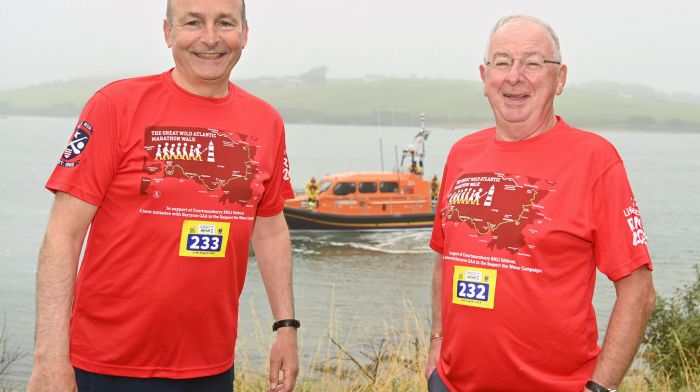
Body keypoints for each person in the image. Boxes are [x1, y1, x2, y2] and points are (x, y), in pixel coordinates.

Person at [28, 1, 299, 391]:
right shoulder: (116, 106)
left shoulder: (266, 121)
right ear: (168, 33)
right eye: (193, 23)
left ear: (244, 33)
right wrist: (50, 359)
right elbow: (62, 236)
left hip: (211, 367)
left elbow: (271, 230)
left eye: (224, 23)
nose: (210, 38)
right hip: (107, 366)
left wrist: (286, 327)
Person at [425, 15, 655, 392]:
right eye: (502, 62)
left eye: (533, 62)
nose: (515, 76)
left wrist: (601, 388)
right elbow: (443, 254)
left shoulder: (595, 159)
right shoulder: (461, 154)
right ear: (485, 76)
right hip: (450, 384)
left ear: (559, 78)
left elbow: (638, 291)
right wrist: (437, 340)